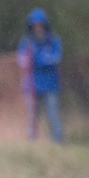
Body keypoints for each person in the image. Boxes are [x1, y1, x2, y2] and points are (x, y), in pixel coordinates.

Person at [16, 8, 63, 142]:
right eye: (35, 25)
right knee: (32, 117)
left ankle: (58, 141)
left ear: (45, 25)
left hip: (50, 85)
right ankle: (32, 143)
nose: (37, 28)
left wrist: (38, 60)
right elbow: (21, 60)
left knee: (52, 114)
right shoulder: (26, 42)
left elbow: (55, 58)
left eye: (40, 25)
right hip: (31, 85)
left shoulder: (53, 40)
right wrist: (38, 60)